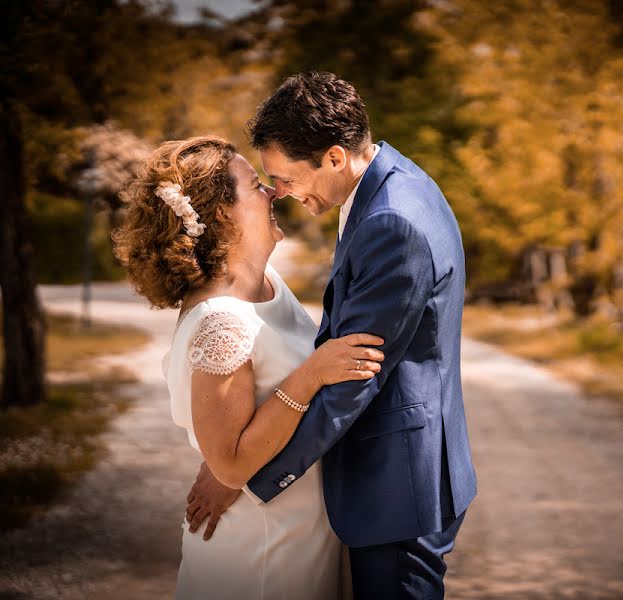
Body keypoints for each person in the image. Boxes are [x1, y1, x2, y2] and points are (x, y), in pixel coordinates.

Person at [186, 71, 478, 598]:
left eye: (287, 177)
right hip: (401, 472)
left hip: (396, 486)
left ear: (336, 157)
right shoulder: (396, 179)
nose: (280, 192)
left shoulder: (393, 224)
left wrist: (244, 475)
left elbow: (354, 378)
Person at [113, 135, 384, 599]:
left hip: (303, 531)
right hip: (260, 552)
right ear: (222, 212)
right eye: (256, 185)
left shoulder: (269, 285)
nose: (274, 192)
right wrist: (312, 373)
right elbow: (232, 463)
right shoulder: (220, 321)